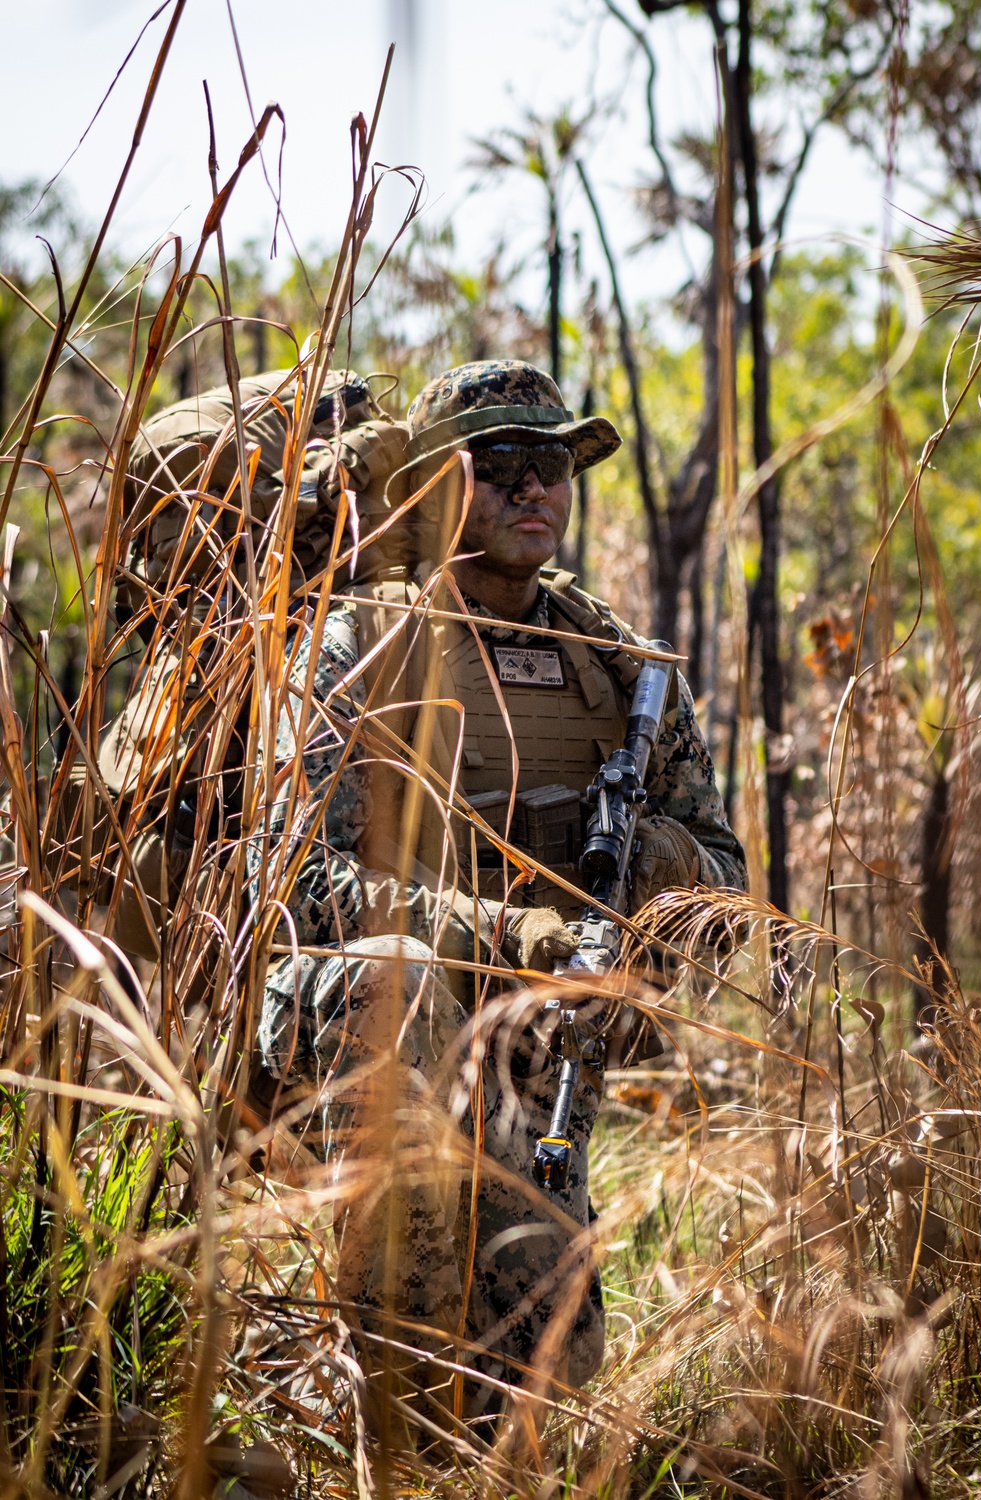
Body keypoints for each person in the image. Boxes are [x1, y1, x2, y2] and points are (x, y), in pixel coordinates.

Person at [250, 359, 746, 1446]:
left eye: (555, 462)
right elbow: (288, 885)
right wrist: (503, 929)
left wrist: (649, 909)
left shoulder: (616, 665)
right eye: (501, 465)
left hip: (532, 1044)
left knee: (544, 1398)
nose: (536, 488)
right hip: (355, 1025)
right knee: (401, 980)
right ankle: (364, 1400)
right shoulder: (359, 644)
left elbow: (725, 871)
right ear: (433, 490)